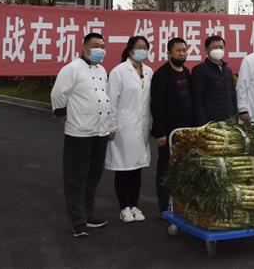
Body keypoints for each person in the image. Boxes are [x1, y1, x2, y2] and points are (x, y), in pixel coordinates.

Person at [50, 32, 114, 238]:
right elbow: (58, 93)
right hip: (79, 133)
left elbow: (105, 98)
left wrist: (110, 126)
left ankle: (88, 214)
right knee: (75, 178)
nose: (100, 49)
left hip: (100, 131)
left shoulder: (103, 70)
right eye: (95, 45)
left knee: (93, 176)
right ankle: (78, 222)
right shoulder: (72, 69)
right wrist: (61, 112)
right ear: (84, 47)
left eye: (102, 46)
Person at [105, 36, 153, 223]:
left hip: (141, 127)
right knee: (123, 168)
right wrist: (111, 125)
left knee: (136, 168)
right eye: (139, 47)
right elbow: (111, 100)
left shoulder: (149, 72)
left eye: (145, 47)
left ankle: (135, 205)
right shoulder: (119, 72)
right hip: (123, 128)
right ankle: (124, 207)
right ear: (130, 49)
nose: (142, 50)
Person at [150, 37, 195, 215]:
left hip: (186, 130)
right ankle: (165, 207)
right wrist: (159, 132)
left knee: (183, 168)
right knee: (166, 169)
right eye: (178, 51)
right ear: (169, 53)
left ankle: (181, 204)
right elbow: (157, 106)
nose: (182, 54)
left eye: (184, 50)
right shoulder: (161, 75)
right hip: (168, 131)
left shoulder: (186, 72)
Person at [192, 35, 238, 125]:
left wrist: (235, 116)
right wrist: (203, 123)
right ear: (206, 50)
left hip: (229, 120)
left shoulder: (228, 70)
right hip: (211, 121)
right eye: (214, 47)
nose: (218, 50)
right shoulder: (199, 70)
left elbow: (233, 95)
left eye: (221, 47)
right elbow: (197, 99)